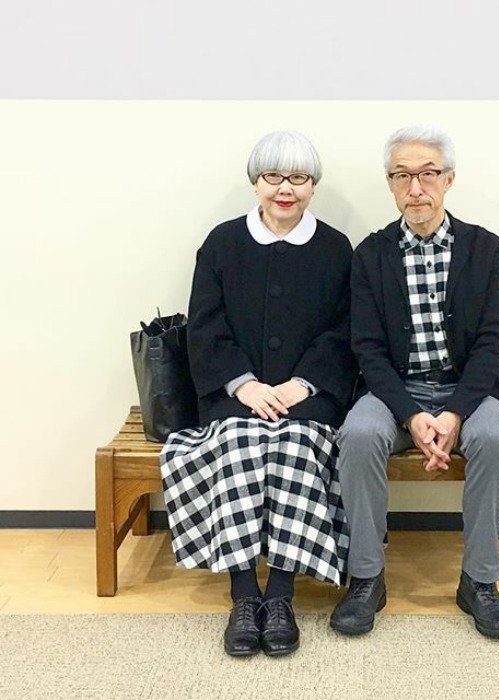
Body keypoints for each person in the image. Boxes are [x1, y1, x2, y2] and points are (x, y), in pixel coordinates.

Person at [160, 131, 356, 657]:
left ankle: (283, 595)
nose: (285, 189)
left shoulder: (336, 247)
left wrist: (301, 385)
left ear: (313, 186)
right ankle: (245, 595)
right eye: (274, 177)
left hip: (307, 397)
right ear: (255, 182)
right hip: (233, 394)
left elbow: (345, 331)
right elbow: (205, 325)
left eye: (298, 178)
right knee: (241, 448)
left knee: (293, 450)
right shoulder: (223, 242)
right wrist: (243, 384)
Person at [330, 125, 499, 639]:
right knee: (360, 434)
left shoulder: (484, 248)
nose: (416, 187)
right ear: (390, 185)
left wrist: (455, 412)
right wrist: (412, 415)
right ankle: (367, 576)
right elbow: (366, 348)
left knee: (498, 437)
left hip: (468, 391)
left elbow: (491, 341)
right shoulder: (370, 255)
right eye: (403, 176)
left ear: (449, 179)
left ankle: (480, 582)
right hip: (393, 392)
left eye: (427, 174)